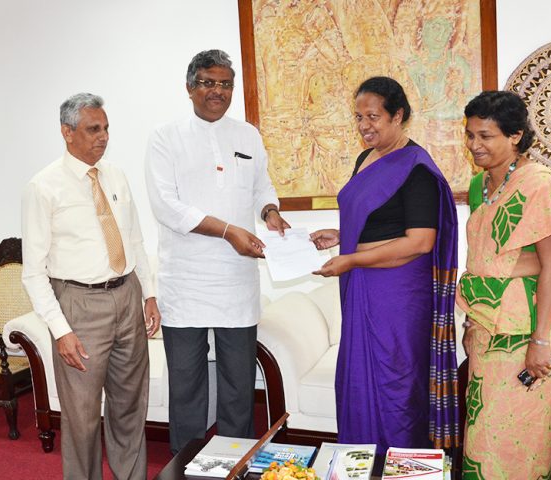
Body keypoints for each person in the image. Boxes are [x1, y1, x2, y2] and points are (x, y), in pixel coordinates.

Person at [145, 49, 290, 454]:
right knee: (187, 387)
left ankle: (234, 464)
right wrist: (227, 231)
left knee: (239, 388)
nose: (218, 91)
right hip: (185, 284)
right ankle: (186, 465)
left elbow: (261, 186)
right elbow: (166, 206)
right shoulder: (165, 137)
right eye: (208, 83)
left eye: (225, 84)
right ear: (189, 87)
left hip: (236, 283)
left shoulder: (247, 135)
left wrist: (270, 212)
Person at [310, 76, 460, 454]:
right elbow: (378, 221)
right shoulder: (366, 159)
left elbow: (419, 242)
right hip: (363, 284)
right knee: (360, 377)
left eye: (373, 116)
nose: (364, 125)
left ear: (398, 116)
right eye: (358, 117)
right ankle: (362, 462)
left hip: (398, 293)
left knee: (398, 381)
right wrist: (340, 235)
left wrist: (351, 258)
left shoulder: (416, 168)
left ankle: (402, 464)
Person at [456, 91, 551, 479]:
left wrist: (540, 341)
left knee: (519, 431)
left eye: (486, 136)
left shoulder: (539, 185)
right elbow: (485, 256)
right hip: (485, 325)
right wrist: (470, 323)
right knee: (482, 428)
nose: (474, 145)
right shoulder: (479, 185)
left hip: (525, 329)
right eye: (470, 135)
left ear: (515, 135)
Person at [22, 92, 160, 479]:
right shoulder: (43, 187)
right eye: (93, 129)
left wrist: (149, 293)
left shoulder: (115, 175)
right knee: (82, 417)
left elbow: (134, 240)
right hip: (79, 306)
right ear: (67, 133)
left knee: (130, 405)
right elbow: (33, 272)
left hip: (127, 296)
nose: (103, 137)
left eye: (106, 129)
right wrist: (61, 331)